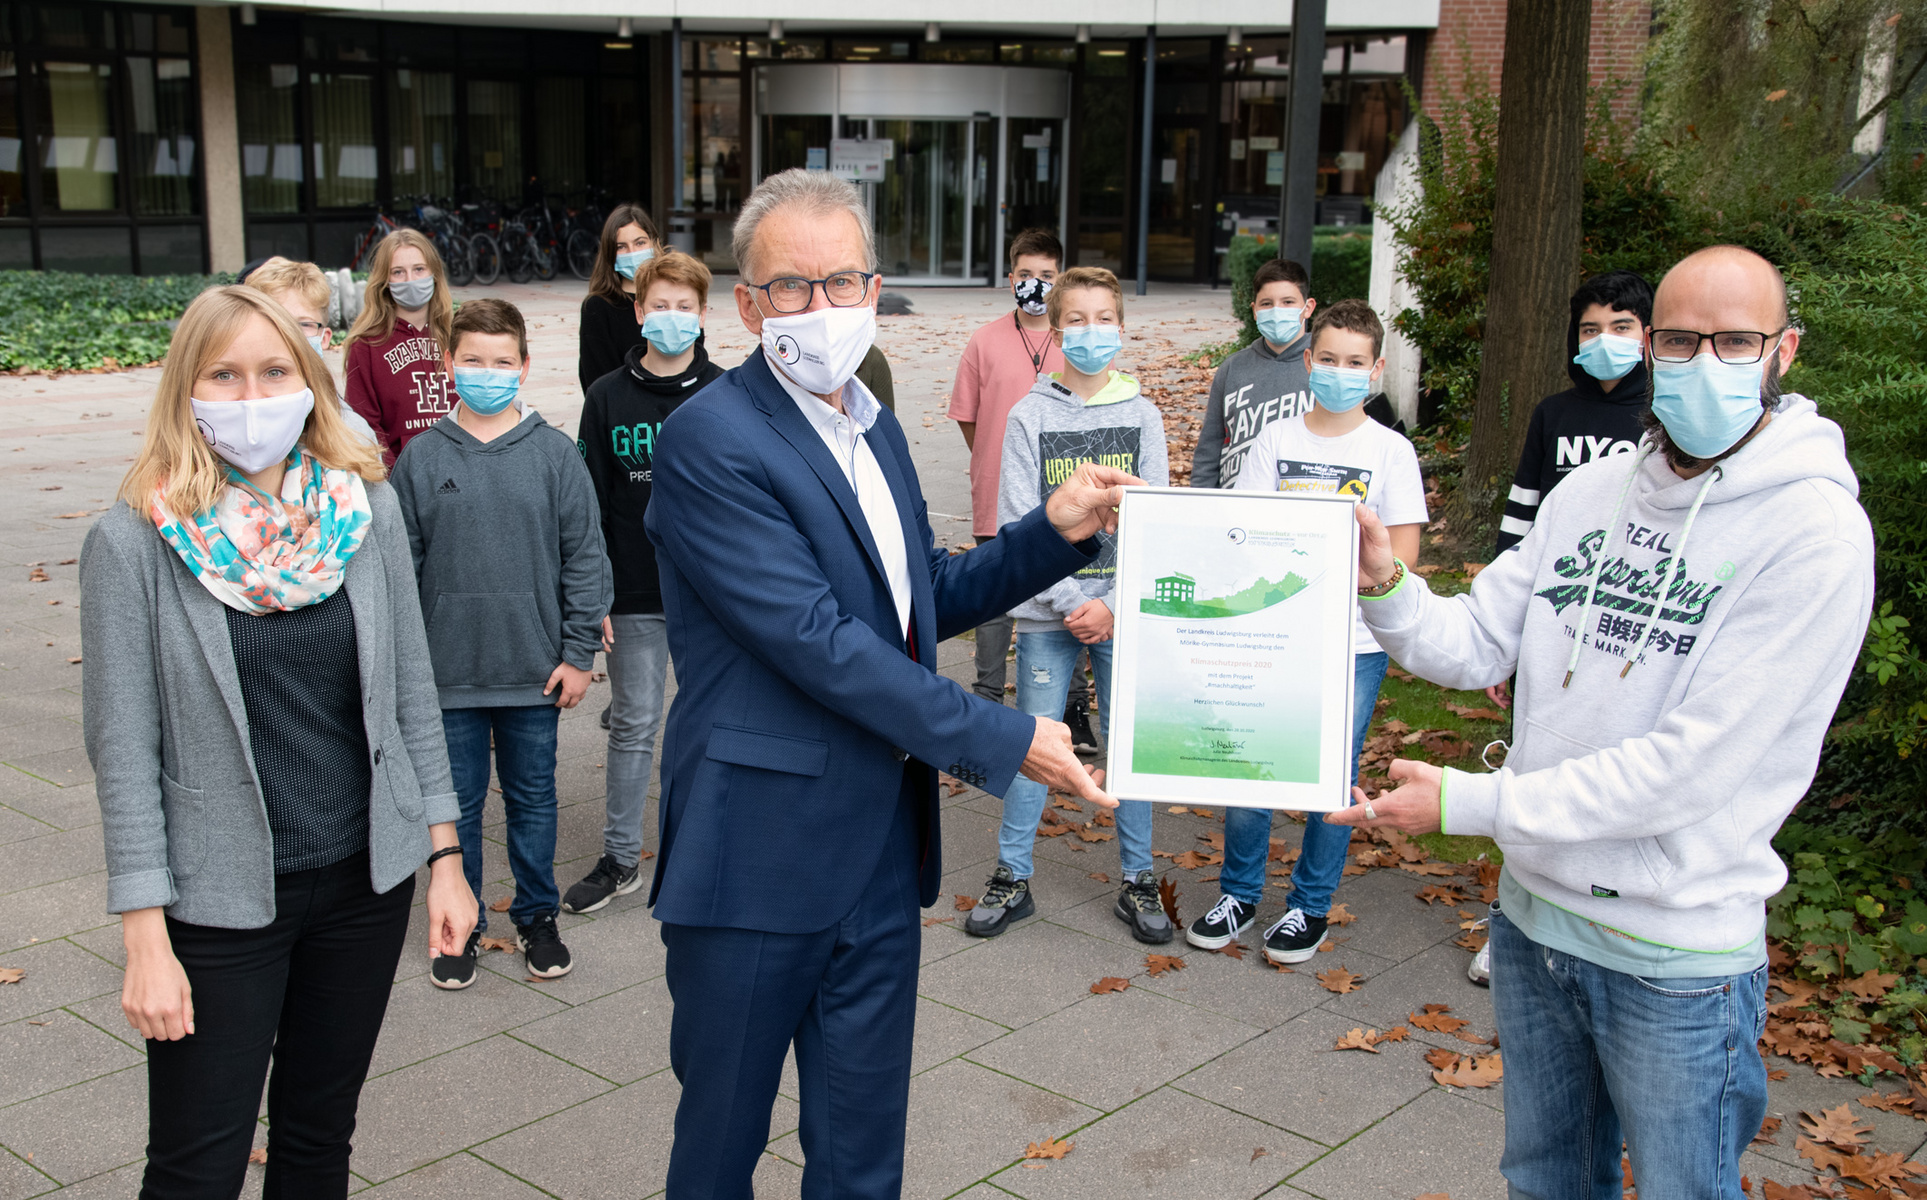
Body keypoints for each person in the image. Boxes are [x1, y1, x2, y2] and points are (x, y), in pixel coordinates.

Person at [1326, 245, 1875, 1194]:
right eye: (1677, 339)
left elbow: (1687, 772)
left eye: (1733, 340)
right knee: (1546, 1180)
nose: (1703, 362)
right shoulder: (1588, 495)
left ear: (1782, 350)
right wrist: (1384, 581)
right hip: (1534, 926)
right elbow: (1469, 645)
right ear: (1648, 346)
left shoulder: (1813, 535)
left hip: (1675, 956)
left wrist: (1471, 803)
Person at [644, 168, 1136, 1200]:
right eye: (790, 287)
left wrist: (1052, 532)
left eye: (842, 282)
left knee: (863, 1161)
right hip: (755, 859)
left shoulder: (875, 425)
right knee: (717, 1153)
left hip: (873, 853)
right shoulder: (708, 442)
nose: (820, 309)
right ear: (747, 305)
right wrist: (1004, 739)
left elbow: (917, 603)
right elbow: (817, 641)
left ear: (874, 287)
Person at [79, 285, 473, 1199]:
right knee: (195, 1166)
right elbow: (124, 749)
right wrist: (144, 935)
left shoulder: (361, 513)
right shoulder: (133, 542)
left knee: (317, 1142)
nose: (251, 397)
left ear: (310, 382)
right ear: (186, 389)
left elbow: (412, 695)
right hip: (218, 903)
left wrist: (444, 856)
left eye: (272, 371)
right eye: (224, 374)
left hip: (361, 887)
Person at [1178, 299, 1429, 962]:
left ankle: (1309, 906)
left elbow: (1401, 559)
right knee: (1252, 764)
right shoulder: (1276, 441)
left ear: (1374, 370)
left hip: (1353, 644)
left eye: (1354, 363)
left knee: (1329, 775)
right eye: (1327, 359)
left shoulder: (1390, 452)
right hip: (1275, 635)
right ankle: (1238, 892)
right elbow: (1246, 537)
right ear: (1309, 362)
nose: (1339, 372)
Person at [391, 298, 613, 987]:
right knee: (451, 808)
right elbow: (399, 572)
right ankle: (462, 922)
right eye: (472, 360)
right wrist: (407, 670)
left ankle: (535, 915)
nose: (487, 372)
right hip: (447, 677)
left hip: (533, 672)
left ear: (522, 366)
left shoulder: (553, 456)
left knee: (533, 799)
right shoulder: (421, 459)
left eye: (501, 361)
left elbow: (585, 558)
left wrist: (579, 654)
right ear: (449, 363)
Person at [963, 266, 1171, 942]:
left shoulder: (1142, 415)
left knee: (1126, 744)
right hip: (1046, 612)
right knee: (1033, 740)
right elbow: (1018, 517)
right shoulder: (1029, 414)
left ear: (1121, 326)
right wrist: (1070, 598)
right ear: (1054, 331)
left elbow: (1157, 519)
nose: (1090, 331)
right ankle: (1011, 873)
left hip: (1122, 612)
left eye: (1102, 318)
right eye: (1075, 320)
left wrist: (1112, 602)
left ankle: (1138, 879)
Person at [564, 250, 724, 914]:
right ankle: (621, 858)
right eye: (659, 305)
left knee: (710, 726)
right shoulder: (606, 396)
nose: (671, 317)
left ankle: (707, 852)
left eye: (684, 306)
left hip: (710, 598)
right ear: (637, 310)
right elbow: (589, 503)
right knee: (632, 724)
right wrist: (590, 593)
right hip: (631, 592)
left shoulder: (725, 392)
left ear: (702, 314)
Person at [947, 230, 1095, 744]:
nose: (1035, 285)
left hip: (1064, 496)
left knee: (1064, 598)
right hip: (997, 491)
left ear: (1060, 278)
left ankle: (1073, 709)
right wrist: (996, 460)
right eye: (1026, 275)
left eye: (1046, 276)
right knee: (991, 596)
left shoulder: (1076, 339)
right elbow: (968, 417)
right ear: (1011, 278)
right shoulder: (985, 341)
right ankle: (987, 698)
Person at [1495, 269, 1653, 554]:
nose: (1604, 339)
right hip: (1554, 565)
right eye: (1591, 329)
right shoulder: (1552, 412)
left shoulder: (1664, 417)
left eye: (1621, 327)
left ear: (1647, 335)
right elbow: (1523, 506)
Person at [1192, 256, 1318, 490]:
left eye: (1288, 302)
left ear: (1308, 307)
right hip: (1235, 505)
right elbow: (1209, 449)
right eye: (1267, 303)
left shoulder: (1323, 369)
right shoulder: (1232, 368)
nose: (1277, 310)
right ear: (1254, 310)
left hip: (1300, 505)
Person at [343, 229, 455, 464]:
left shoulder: (458, 336)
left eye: (419, 269)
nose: (410, 280)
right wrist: (397, 480)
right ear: (385, 280)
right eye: (398, 272)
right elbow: (365, 425)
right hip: (402, 475)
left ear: (434, 273)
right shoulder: (366, 345)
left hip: (462, 468)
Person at [244, 256, 379, 446]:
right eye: (275, 322)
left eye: (303, 324)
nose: (290, 335)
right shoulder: (230, 421)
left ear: (324, 338)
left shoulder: (354, 434)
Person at [578, 203, 659, 393]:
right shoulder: (597, 307)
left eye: (640, 243)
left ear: (654, 243)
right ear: (610, 254)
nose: (632, 253)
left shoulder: (675, 298)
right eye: (621, 247)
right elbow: (596, 379)